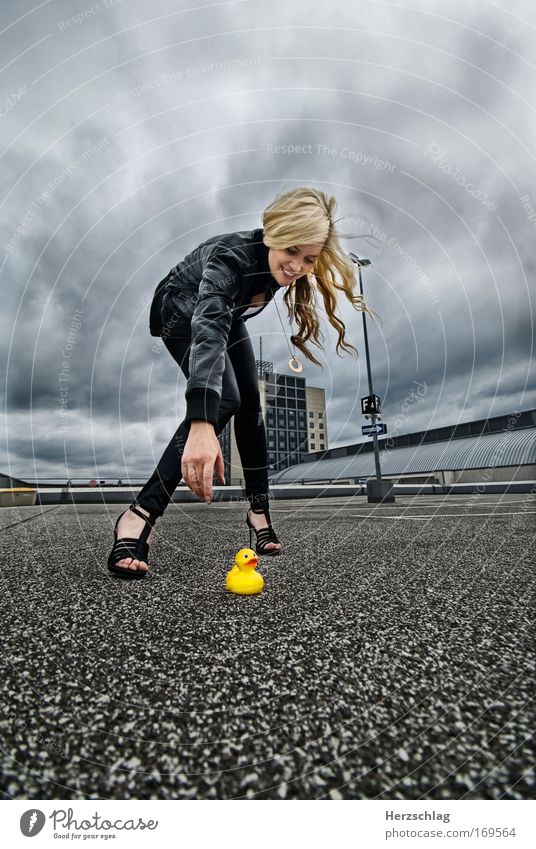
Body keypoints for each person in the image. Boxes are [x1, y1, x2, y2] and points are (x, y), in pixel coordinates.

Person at [107, 187, 375, 578]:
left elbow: (231, 318)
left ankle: (259, 512)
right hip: (182, 311)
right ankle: (138, 514)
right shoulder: (229, 259)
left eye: (309, 259)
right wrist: (201, 422)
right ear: (273, 235)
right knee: (226, 398)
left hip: (225, 318)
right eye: (292, 252)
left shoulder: (290, 270)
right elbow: (209, 328)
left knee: (250, 402)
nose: (297, 266)